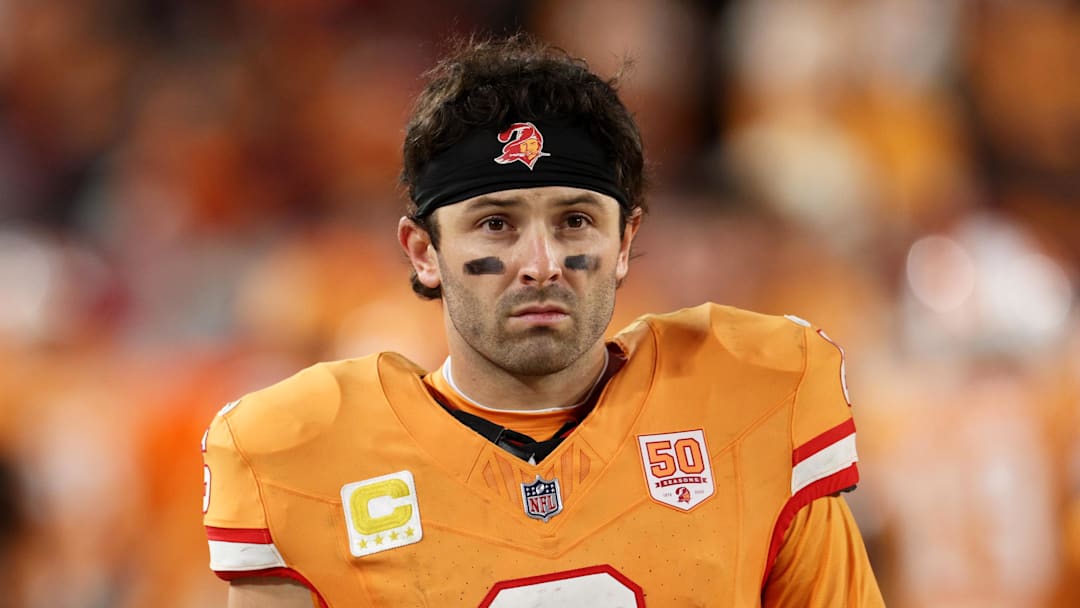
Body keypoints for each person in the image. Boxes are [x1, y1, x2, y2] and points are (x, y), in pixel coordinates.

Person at [201, 35, 884, 607]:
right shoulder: (306, 459)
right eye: (496, 224)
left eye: (575, 220)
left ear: (624, 242)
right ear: (424, 252)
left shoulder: (750, 404)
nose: (541, 263)